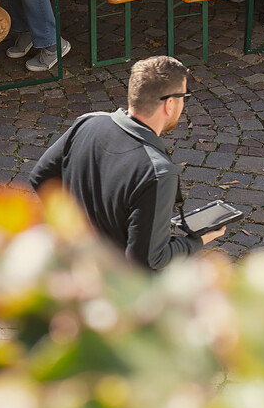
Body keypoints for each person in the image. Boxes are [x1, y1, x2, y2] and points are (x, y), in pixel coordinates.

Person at [30, 52, 225, 268]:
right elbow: (148, 260)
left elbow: (41, 177)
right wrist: (196, 242)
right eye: (184, 97)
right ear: (169, 104)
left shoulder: (87, 123)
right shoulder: (157, 173)